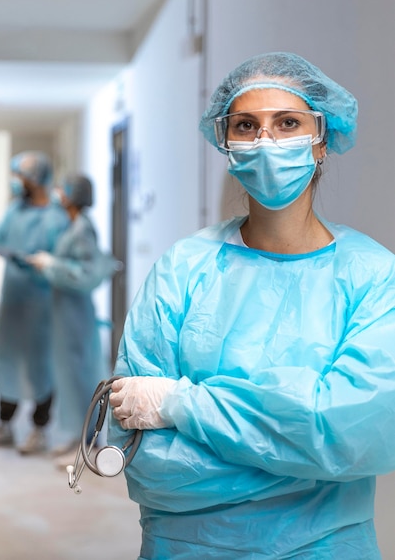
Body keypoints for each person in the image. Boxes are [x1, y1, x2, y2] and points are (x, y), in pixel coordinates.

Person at [107, 52, 395, 559]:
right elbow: (144, 461)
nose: (267, 142)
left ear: (321, 139)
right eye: (246, 125)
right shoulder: (183, 269)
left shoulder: (373, 276)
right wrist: (303, 460)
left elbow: (356, 436)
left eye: (288, 122)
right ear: (227, 143)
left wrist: (179, 403)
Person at [0, 151, 69, 454]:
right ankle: (3, 425)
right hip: (13, 300)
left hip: (42, 303)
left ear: (35, 179)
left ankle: (39, 428)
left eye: (20, 175)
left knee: (41, 365)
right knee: (7, 362)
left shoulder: (57, 216)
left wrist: (45, 264)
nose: (15, 182)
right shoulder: (15, 210)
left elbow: (66, 260)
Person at [27, 174, 118, 464]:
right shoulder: (72, 224)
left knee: (79, 375)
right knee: (69, 375)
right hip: (65, 312)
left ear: (73, 194)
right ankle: (77, 435)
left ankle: (86, 441)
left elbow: (85, 274)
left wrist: (52, 264)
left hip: (75, 314)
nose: (57, 191)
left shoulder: (82, 228)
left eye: (62, 187)